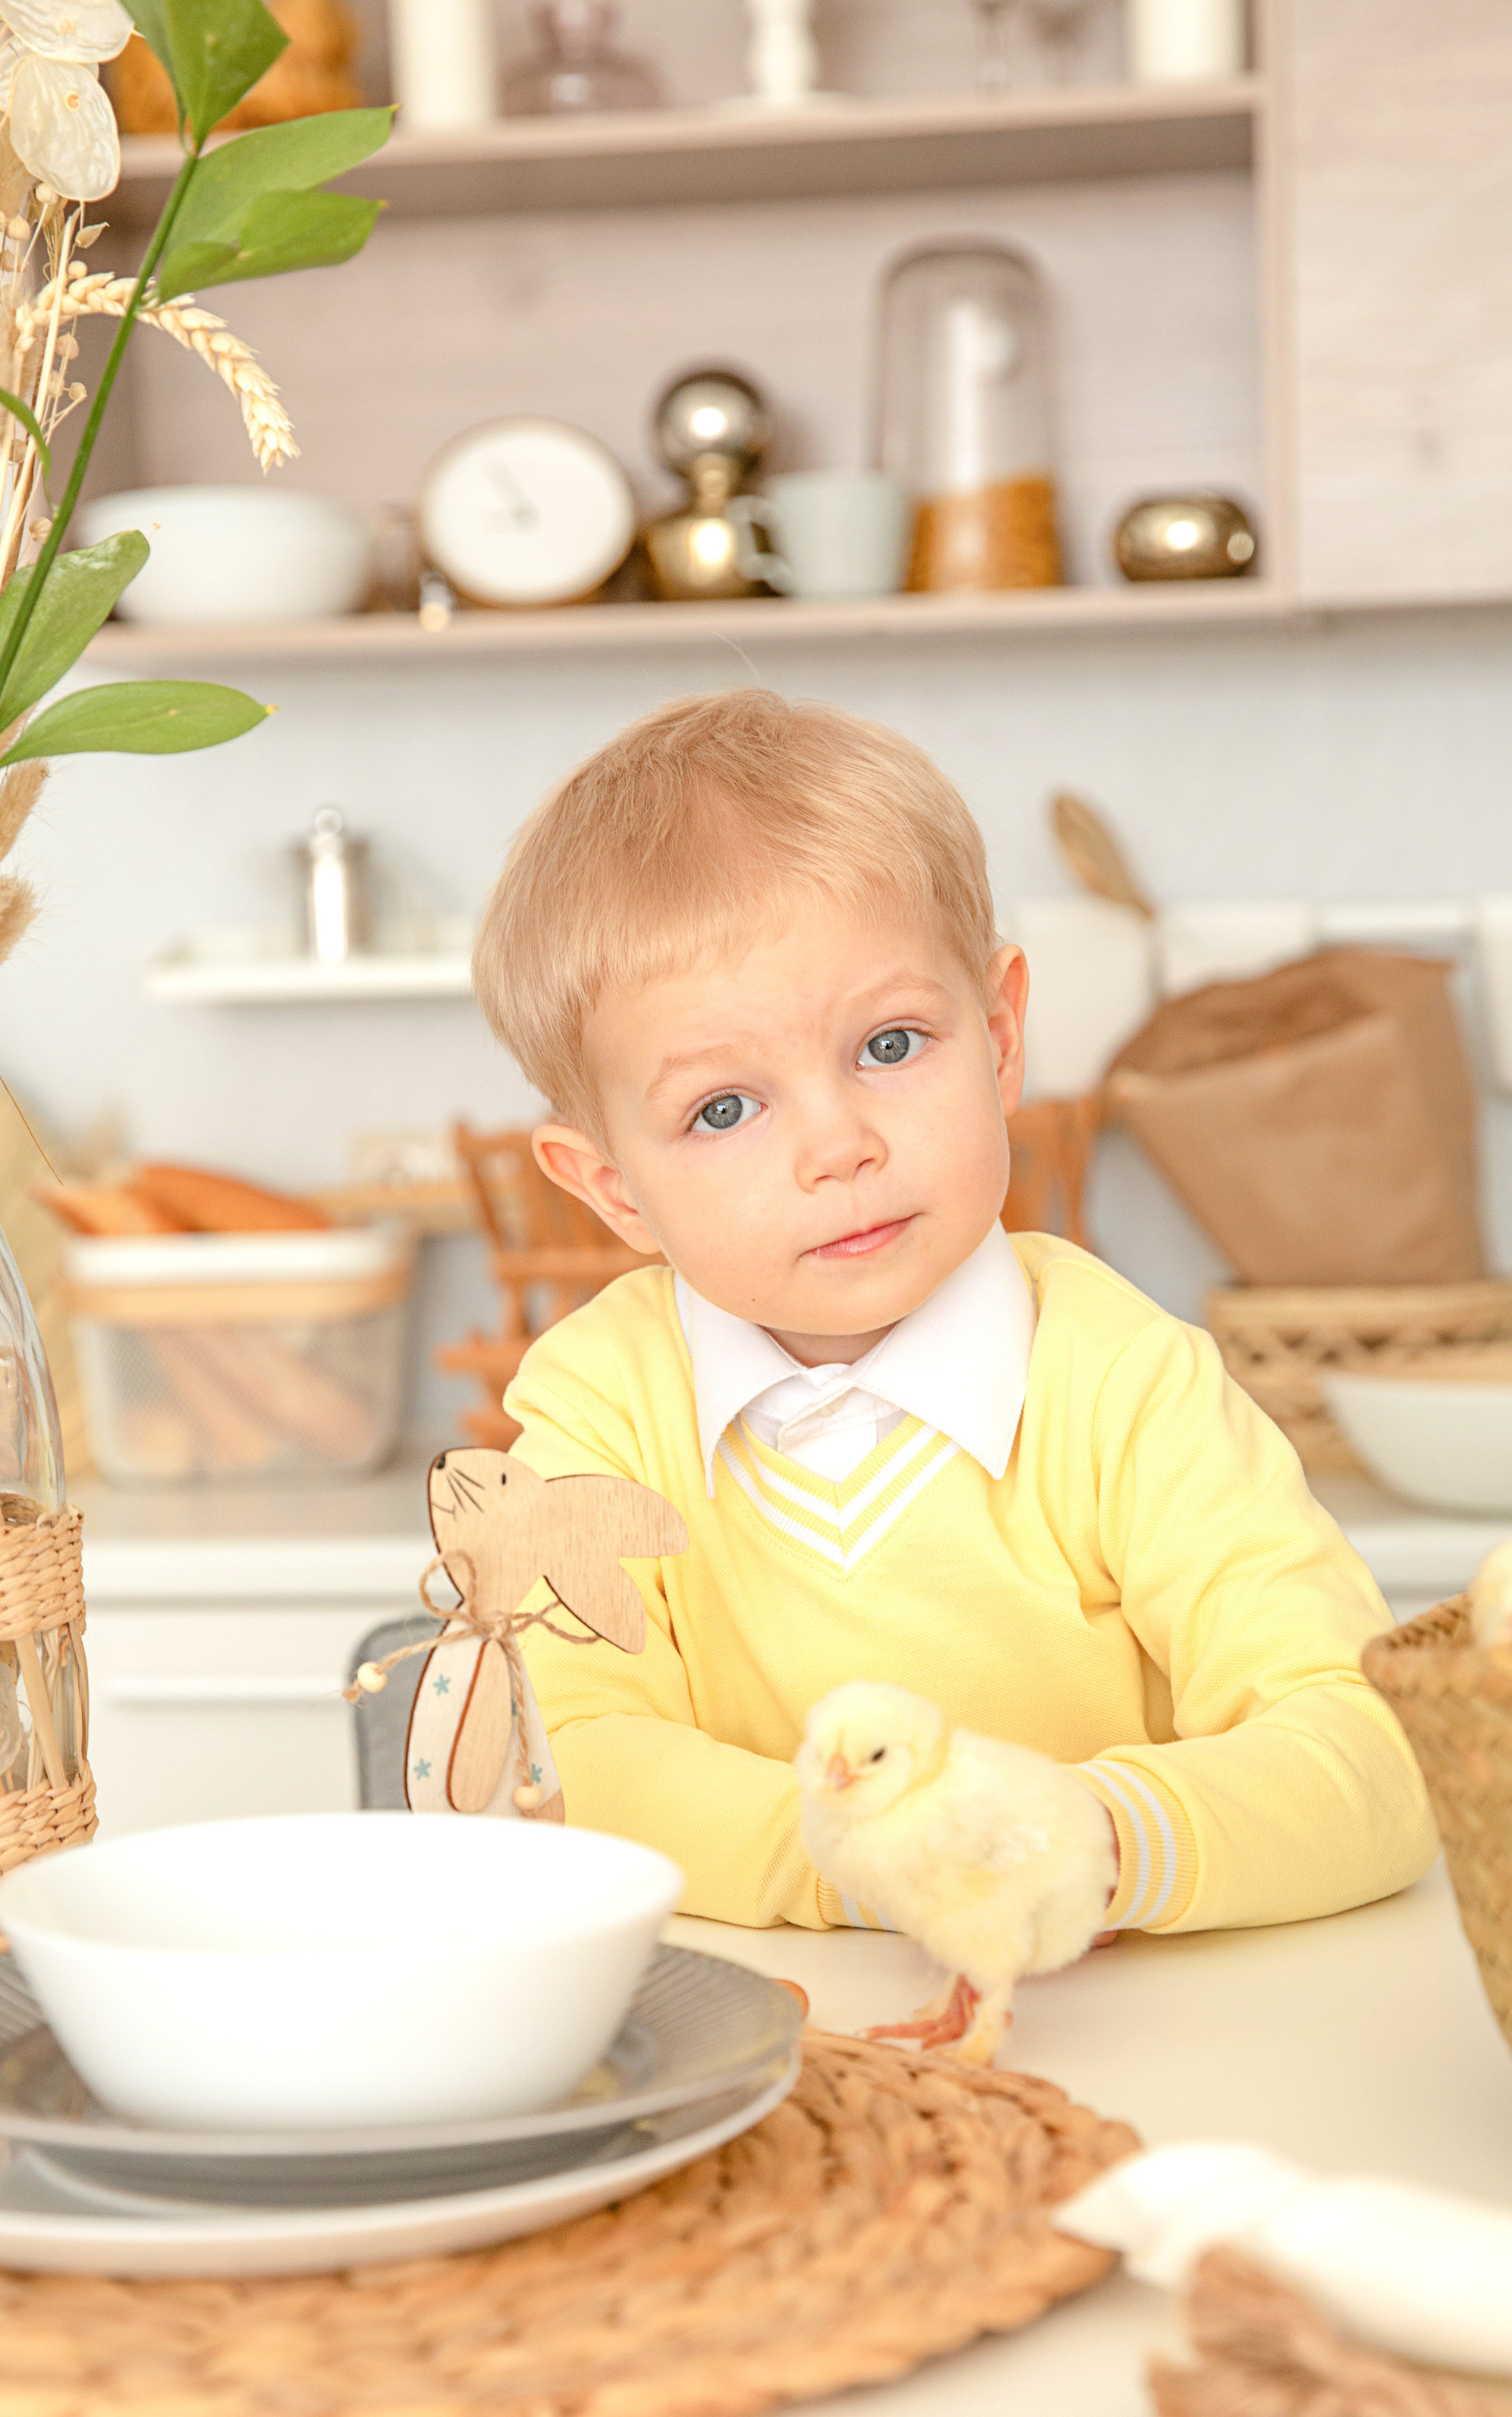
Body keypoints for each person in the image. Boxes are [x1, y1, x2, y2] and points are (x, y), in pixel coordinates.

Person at [472, 688, 1437, 1935]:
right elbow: (568, 1762)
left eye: (889, 1045)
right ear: (613, 1188)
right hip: (767, 2029)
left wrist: (1102, 1844)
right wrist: (879, 1860)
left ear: (1000, 1034)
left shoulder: (1124, 1381)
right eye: (724, 1109)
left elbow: (1371, 1755)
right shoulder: (598, 1408)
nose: (838, 1145)